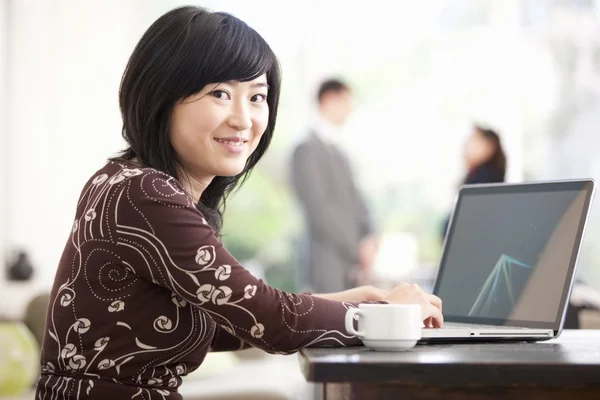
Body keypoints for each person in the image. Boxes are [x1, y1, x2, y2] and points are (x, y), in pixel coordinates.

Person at [36, 7, 443, 399]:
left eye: (257, 97)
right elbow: (267, 320)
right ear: (161, 96)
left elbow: (225, 319)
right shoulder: (143, 194)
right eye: (219, 93)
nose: (243, 119)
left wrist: (356, 300)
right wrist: (388, 317)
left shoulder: (127, 182)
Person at [291, 79, 378, 294]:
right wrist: (356, 247)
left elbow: (357, 199)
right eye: (347, 102)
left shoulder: (339, 152)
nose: (350, 110)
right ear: (329, 99)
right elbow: (319, 209)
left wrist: (370, 237)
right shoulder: (305, 149)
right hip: (325, 261)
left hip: (350, 262)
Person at [441, 124, 507, 239]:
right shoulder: (474, 176)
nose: (466, 145)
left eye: (473, 140)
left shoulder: (485, 179)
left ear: (488, 147)